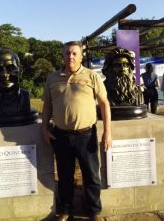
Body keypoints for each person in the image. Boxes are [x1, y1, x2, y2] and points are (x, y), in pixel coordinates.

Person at [41, 41, 112, 221]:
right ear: (63, 56)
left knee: (91, 175)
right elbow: (47, 105)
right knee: (64, 176)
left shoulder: (91, 76)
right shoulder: (52, 78)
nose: (70, 56)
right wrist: (44, 127)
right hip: (61, 135)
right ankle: (65, 210)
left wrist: (107, 132)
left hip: (86, 135)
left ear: (81, 56)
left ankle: (93, 210)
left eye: (74, 53)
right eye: (67, 53)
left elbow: (104, 103)